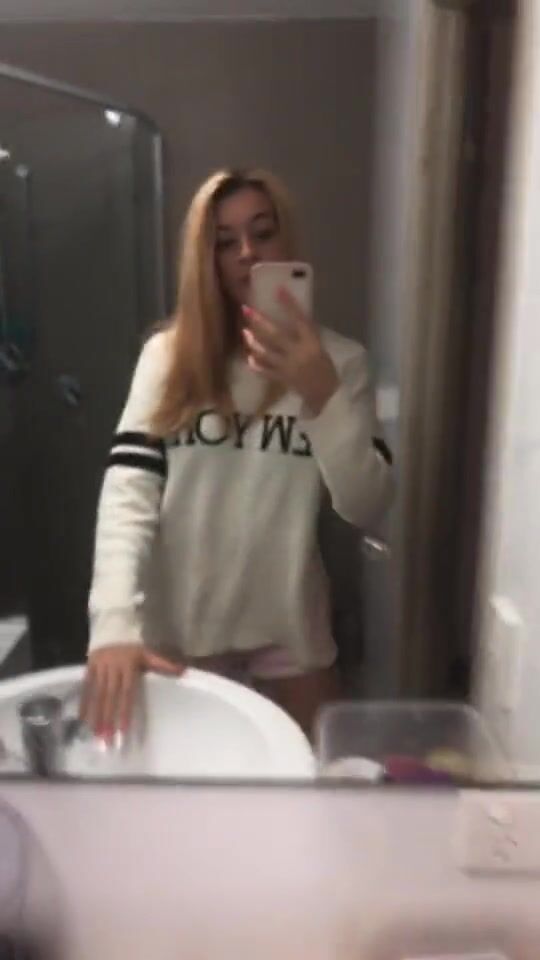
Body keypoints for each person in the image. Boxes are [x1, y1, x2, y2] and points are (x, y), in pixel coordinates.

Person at [81, 167, 392, 739]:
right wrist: (113, 622)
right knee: (194, 788)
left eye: (262, 232)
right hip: (183, 632)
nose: (247, 252)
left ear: (285, 240)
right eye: (225, 242)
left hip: (290, 631)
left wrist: (322, 394)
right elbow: (129, 491)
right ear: (207, 259)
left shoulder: (341, 363)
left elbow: (366, 504)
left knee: (315, 782)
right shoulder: (167, 358)